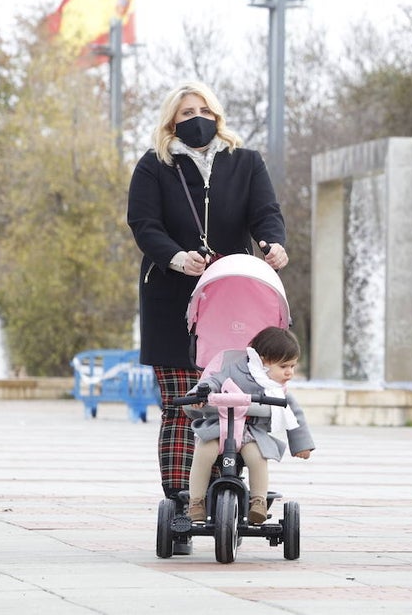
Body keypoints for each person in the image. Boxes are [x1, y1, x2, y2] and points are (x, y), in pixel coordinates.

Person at [127, 81, 289, 550]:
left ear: (216, 114)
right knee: (184, 410)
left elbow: (266, 213)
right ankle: (182, 504)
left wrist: (273, 244)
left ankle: (233, 492)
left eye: (202, 109)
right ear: (170, 121)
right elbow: (143, 224)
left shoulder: (246, 162)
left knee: (237, 403)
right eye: (184, 112)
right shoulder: (154, 165)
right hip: (170, 299)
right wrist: (176, 257)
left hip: (232, 298)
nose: (195, 117)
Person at [184, 327, 314, 524]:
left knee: (258, 457)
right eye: (284, 366)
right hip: (220, 428)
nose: (290, 373)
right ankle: (196, 502)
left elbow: (294, 414)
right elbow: (213, 381)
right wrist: (200, 395)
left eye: (293, 366)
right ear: (263, 360)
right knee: (203, 452)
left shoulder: (276, 390)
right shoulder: (234, 368)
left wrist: (301, 444)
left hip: (251, 433)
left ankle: (258, 501)